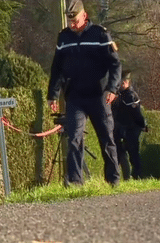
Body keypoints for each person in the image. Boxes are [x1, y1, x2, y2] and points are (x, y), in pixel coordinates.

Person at [47, 0, 122, 187]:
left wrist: (112, 88)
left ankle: (113, 180)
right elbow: (56, 68)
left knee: (106, 138)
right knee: (74, 139)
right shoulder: (64, 38)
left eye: (76, 20)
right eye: (70, 21)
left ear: (84, 15)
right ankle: (75, 181)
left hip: (99, 95)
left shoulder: (100, 34)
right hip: (75, 97)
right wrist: (53, 95)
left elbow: (115, 65)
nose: (73, 25)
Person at [112, 70, 148, 180]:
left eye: (124, 82)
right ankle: (118, 177)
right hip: (119, 129)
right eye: (120, 82)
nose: (121, 85)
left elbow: (136, 114)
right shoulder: (118, 95)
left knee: (133, 154)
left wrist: (142, 124)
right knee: (118, 154)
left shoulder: (131, 96)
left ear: (128, 82)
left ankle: (137, 176)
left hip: (131, 129)